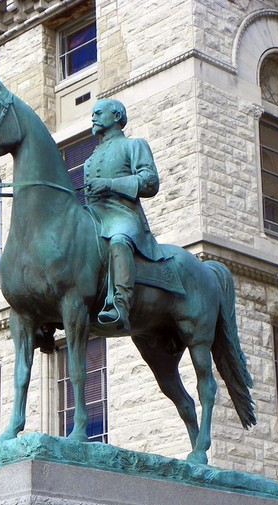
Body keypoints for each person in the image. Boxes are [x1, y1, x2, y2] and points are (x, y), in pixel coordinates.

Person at [84, 98, 166, 331]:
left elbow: (150, 182)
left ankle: (120, 304)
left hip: (123, 214)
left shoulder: (134, 145)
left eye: (99, 113)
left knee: (118, 241)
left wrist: (109, 184)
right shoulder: (89, 160)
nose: (94, 117)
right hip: (95, 216)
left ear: (117, 116)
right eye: (93, 113)